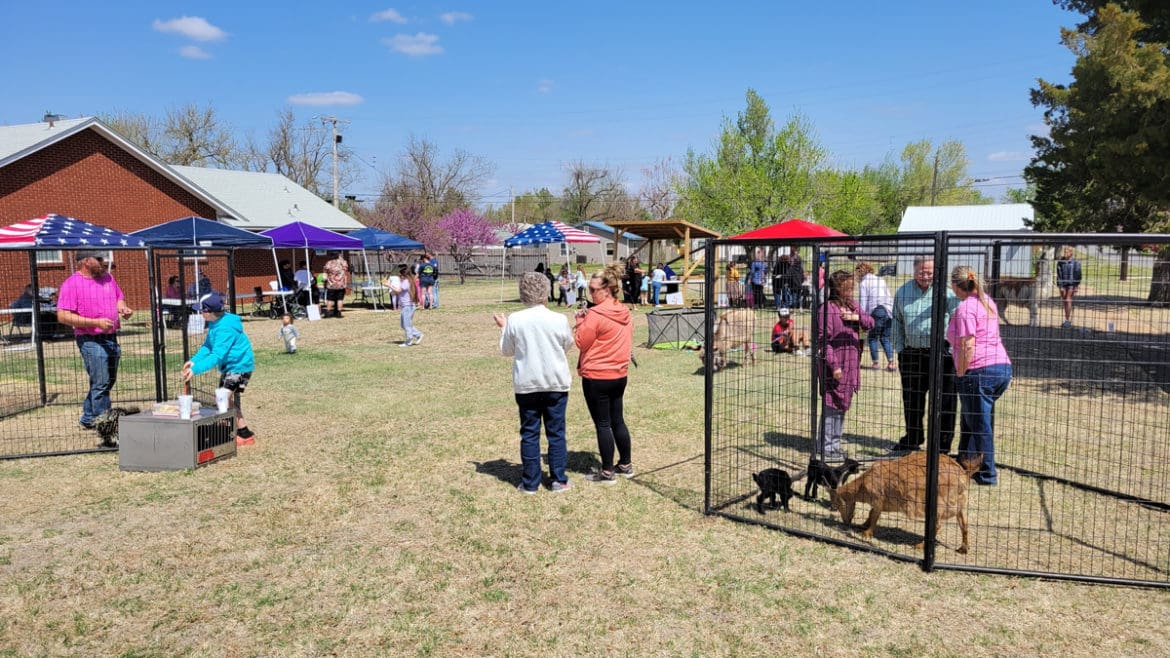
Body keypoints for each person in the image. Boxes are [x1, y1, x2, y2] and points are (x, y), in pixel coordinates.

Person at [493, 272, 575, 494]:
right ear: (546, 292)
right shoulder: (559, 319)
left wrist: (503, 327)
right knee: (556, 432)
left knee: (529, 432)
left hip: (527, 383)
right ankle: (558, 479)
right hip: (555, 382)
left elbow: (506, 350)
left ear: (522, 294)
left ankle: (530, 482)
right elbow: (567, 344)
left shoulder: (515, 320)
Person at [947, 266, 1013, 486]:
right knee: (972, 418)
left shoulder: (967, 308)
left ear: (956, 285)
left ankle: (987, 473)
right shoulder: (987, 302)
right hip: (1001, 367)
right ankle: (966, 461)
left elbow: (967, 344)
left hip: (979, 371)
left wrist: (961, 372)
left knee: (979, 423)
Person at [55, 251, 133, 431]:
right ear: (85, 261)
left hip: (110, 336)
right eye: (98, 259)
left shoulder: (108, 278)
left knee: (107, 380)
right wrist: (94, 322)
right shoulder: (71, 284)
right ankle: (105, 426)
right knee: (102, 382)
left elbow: (118, 298)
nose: (103, 261)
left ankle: (88, 418)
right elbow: (63, 316)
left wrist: (123, 308)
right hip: (90, 339)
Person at [891, 256, 960, 454]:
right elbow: (896, 320)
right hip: (912, 354)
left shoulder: (946, 293)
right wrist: (901, 350)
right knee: (912, 400)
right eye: (922, 272)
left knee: (945, 401)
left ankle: (942, 445)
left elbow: (958, 320)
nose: (926, 276)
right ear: (914, 270)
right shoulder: (903, 291)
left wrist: (952, 348)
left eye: (930, 272)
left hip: (942, 355)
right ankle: (913, 438)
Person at [574, 263, 635, 484]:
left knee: (603, 423)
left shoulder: (594, 315)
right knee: (617, 420)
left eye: (593, 289)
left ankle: (607, 472)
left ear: (607, 289)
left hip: (597, 376)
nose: (589, 293)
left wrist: (580, 321)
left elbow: (581, 342)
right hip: (619, 374)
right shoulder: (624, 311)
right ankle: (625, 464)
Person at [182, 291, 257, 446]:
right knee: (223, 399)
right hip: (229, 368)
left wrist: (196, 370)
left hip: (240, 367)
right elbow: (208, 347)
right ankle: (243, 433)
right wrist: (194, 361)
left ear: (209, 312)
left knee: (222, 397)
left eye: (201, 310)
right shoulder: (215, 323)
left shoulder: (225, 328)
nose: (200, 313)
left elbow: (217, 355)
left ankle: (233, 434)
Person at [818, 270, 874, 461]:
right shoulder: (827, 309)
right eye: (847, 286)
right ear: (837, 288)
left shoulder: (853, 305)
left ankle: (835, 444)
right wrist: (834, 366)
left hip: (851, 365)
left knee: (842, 406)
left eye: (852, 286)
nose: (851, 289)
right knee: (831, 405)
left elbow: (870, 323)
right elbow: (822, 342)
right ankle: (826, 447)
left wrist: (855, 317)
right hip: (835, 367)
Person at [857, 262, 896, 371]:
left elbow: (863, 302)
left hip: (876, 310)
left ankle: (875, 363)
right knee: (885, 338)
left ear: (860, 272)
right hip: (888, 310)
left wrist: (862, 318)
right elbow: (889, 296)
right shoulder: (880, 279)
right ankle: (891, 363)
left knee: (872, 337)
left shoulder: (864, 282)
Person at [390, 264, 423, 346]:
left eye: (399, 275)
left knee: (406, 325)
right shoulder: (407, 281)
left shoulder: (406, 282)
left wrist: (389, 285)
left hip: (408, 306)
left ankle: (409, 341)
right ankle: (418, 335)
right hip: (407, 306)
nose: (398, 276)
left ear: (403, 275)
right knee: (403, 324)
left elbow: (398, 291)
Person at [1056, 246, 1082, 328]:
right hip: (1063, 283)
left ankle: (1067, 320)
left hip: (1072, 283)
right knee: (1064, 300)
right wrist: (1060, 285)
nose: (1065, 253)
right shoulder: (1060, 262)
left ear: (1071, 253)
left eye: (1067, 252)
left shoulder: (1076, 262)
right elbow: (1059, 274)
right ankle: (1067, 318)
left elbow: (1078, 274)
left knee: (1068, 299)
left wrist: (1076, 285)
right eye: (1064, 252)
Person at [323, 251, 349, 318]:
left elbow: (325, 271)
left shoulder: (329, 263)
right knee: (340, 299)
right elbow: (346, 269)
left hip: (331, 284)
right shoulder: (343, 263)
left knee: (330, 299)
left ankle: (328, 312)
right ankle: (339, 313)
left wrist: (325, 281)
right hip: (341, 284)